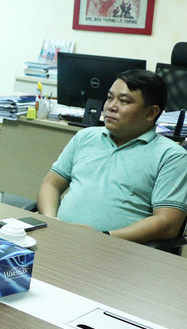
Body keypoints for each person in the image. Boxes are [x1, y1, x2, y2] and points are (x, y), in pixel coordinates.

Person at [37, 69, 187, 243]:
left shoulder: (171, 156)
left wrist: (104, 237)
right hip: (61, 238)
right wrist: (51, 220)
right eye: (109, 98)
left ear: (151, 113)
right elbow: (52, 183)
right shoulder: (86, 137)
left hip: (120, 253)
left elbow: (168, 223)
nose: (110, 107)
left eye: (123, 101)